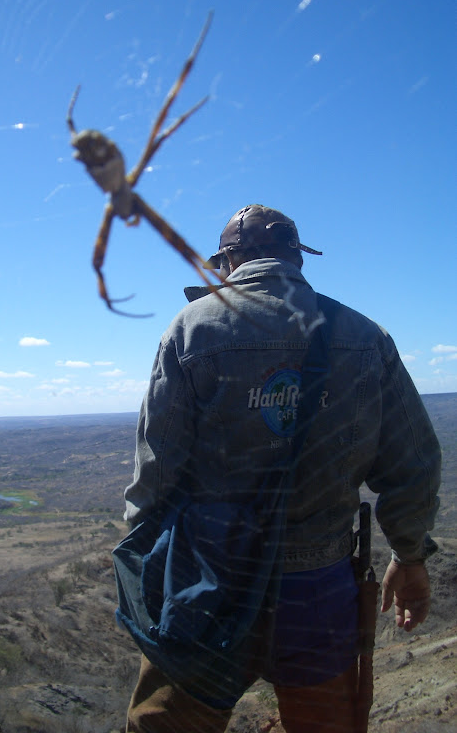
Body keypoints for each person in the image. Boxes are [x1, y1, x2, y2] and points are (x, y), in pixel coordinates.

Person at [122, 204, 441, 733]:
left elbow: (157, 469)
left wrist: (143, 570)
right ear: (297, 258)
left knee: (167, 725)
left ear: (227, 262)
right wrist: (409, 555)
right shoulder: (364, 336)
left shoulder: (191, 329)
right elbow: (414, 462)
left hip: (206, 583)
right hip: (319, 589)